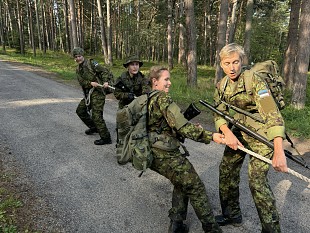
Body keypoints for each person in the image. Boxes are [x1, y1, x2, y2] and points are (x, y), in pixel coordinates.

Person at [213, 43, 288, 232]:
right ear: (221, 65)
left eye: (236, 62)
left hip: (262, 134)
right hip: (238, 130)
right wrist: (227, 133)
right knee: (227, 169)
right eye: (227, 63)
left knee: (257, 181)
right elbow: (218, 113)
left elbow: (272, 115)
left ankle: (271, 229)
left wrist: (278, 151)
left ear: (242, 61)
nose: (232, 67)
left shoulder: (255, 81)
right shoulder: (221, 85)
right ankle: (231, 214)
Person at [146, 66, 224, 233]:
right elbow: (182, 128)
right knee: (196, 188)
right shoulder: (163, 99)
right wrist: (211, 136)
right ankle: (213, 230)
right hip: (165, 155)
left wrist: (185, 126)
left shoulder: (147, 98)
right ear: (155, 81)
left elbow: (160, 125)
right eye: (166, 79)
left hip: (151, 152)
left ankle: (176, 224)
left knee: (182, 182)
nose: (169, 82)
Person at [72, 47, 114, 145]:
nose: (78, 58)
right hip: (89, 93)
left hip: (99, 92)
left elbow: (104, 71)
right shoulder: (78, 69)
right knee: (80, 110)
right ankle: (94, 127)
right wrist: (90, 83)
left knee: (96, 116)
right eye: (76, 57)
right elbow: (82, 82)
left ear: (83, 56)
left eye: (79, 56)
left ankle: (106, 138)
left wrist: (105, 82)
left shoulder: (91, 63)